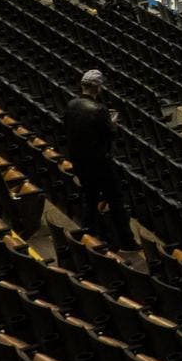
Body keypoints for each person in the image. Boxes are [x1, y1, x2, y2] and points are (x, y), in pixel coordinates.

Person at [64, 70, 131, 248]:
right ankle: (126, 240)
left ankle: (89, 235)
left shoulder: (71, 105)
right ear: (97, 87)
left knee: (89, 199)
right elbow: (109, 135)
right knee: (116, 201)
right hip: (100, 163)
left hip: (80, 162)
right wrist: (113, 123)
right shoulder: (99, 110)